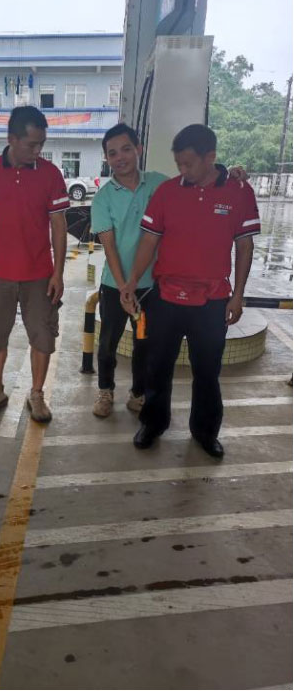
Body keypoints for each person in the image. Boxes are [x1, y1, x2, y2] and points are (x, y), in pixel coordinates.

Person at [121, 124, 260, 458]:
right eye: (178, 164)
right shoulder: (167, 192)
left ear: (210, 157)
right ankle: (153, 423)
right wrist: (131, 281)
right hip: (166, 297)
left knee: (207, 371)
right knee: (158, 365)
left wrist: (237, 295)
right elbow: (149, 240)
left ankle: (205, 432)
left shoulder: (239, 192)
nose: (182, 170)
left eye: (188, 164)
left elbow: (244, 247)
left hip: (212, 301)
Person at [0, 106, 69, 423]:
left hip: (40, 275)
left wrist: (58, 273)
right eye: (32, 144)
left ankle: (37, 394)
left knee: (43, 336)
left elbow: (59, 226)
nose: (37, 151)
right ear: (12, 139)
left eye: (42, 144)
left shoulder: (51, 174)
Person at [90, 123, 167, 417]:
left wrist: (226, 173)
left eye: (125, 149)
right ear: (107, 159)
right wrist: (124, 286)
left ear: (138, 149)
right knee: (108, 343)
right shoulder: (103, 198)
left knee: (143, 342)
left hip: (149, 288)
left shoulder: (159, 185)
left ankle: (137, 394)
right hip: (115, 287)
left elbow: (194, 182)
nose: (119, 157)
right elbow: (109, 247)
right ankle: (105, 391)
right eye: (112, 153)